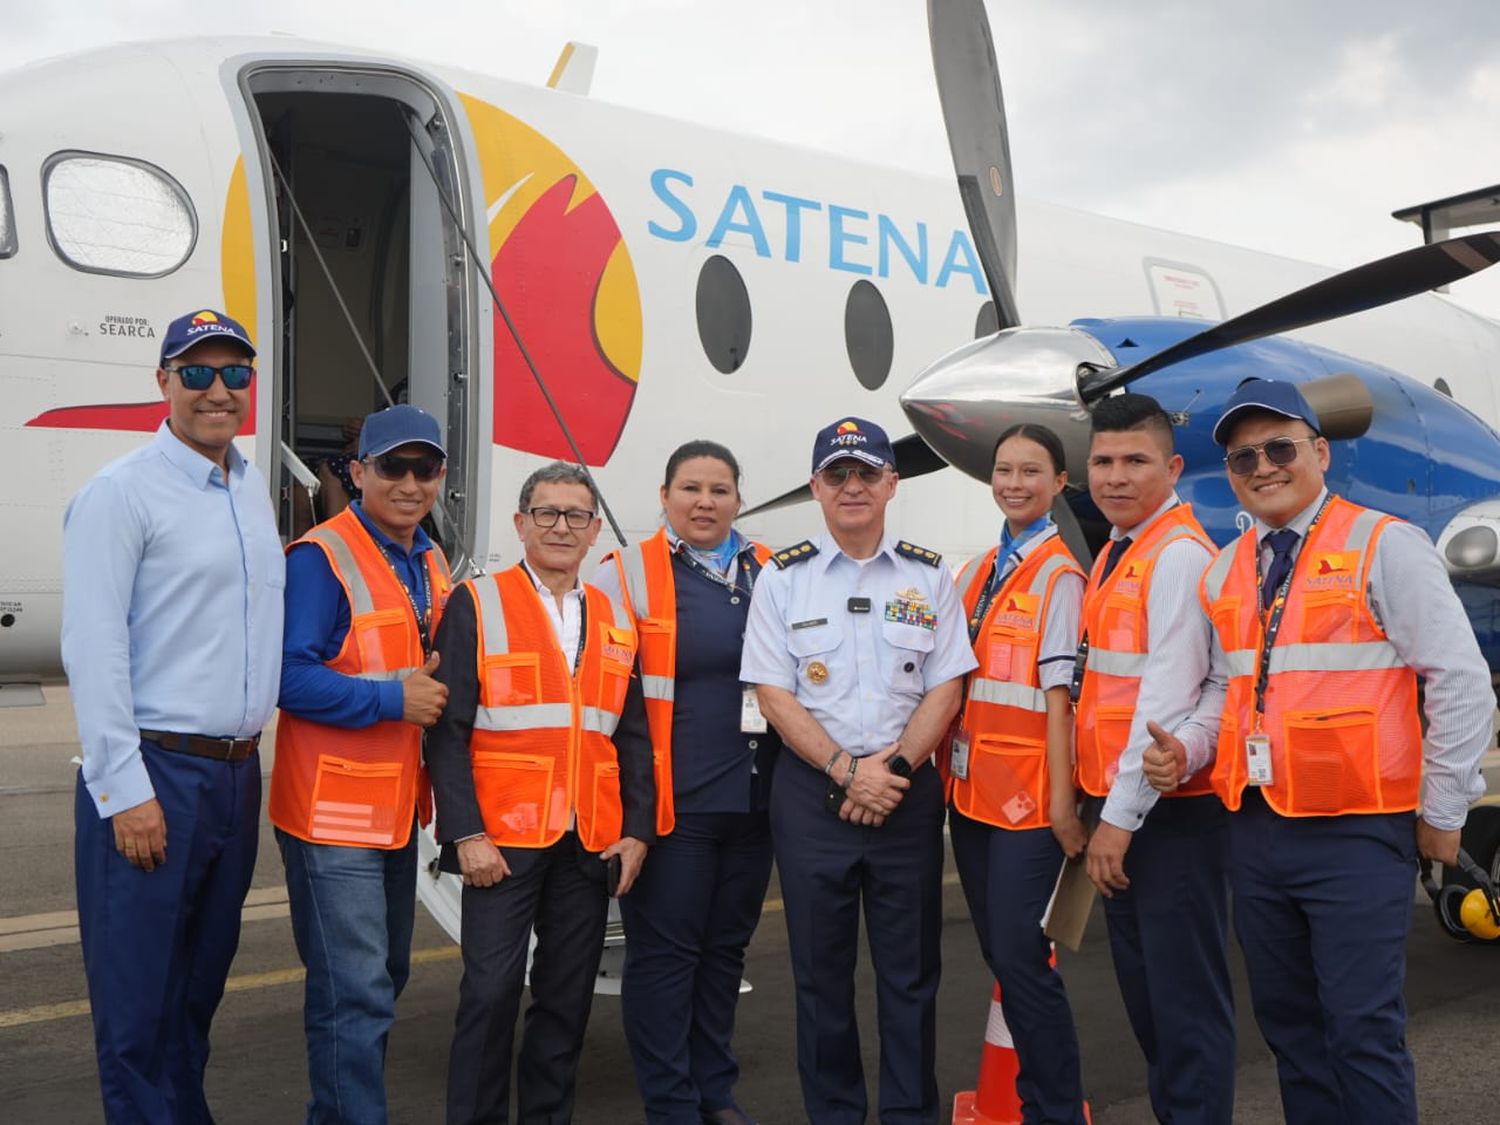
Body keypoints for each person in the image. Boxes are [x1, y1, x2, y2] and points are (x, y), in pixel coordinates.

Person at [1145, 379, 1492, 1124]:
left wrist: (1444, 809)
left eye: (1279, 447)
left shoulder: (1383, 543)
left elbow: (1461, 682)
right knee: (1292, 1031)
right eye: (1244, 457)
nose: (1262, 466)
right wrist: (1190, 748)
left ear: (1320, 452)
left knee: (1362, 1029)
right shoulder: (1223, 567)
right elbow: (1227, 691)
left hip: (1357, 830)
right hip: (1258, 827)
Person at [62, 308, 283, 1123]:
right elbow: (93, 647)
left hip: (233, 777)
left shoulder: (249, 486)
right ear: (163, 383)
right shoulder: (120, 494)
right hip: (157, 772)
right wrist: (125, 790)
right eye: (197, 372)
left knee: (194, 995)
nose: (218, 390)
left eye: (234, 375)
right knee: (138, 1009)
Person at [741, 417, 977, 1125]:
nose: (852, 487)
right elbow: (774, 694)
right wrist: (849, 770)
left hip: (904, 792)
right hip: (814, 797)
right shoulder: (783, 579)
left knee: (911, 977)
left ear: (891, 484)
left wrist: (893, 769)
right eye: (837, 474)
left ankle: (911, 1114)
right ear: (815, 486)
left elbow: (947, 685)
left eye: (866, 473)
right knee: (820, 980)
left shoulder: (930, 573)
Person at [426, 461, 656, 1125]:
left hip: (588, 841)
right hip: (501, 841)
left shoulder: (616, 617)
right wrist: (464, 832)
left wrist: (637, 828)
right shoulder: (477, 602)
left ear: (592, 534)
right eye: (547, 513)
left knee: (565, 1001)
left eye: (576, 515)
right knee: (491, 994)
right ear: (521, 524)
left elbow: (632, 734)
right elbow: (448, 729)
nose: (561, 525)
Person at [270, 404, 454, 1124]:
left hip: (396, 813)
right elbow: (284, 677)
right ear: (358, 472)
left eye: (425, 468)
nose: (409, 483)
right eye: (392, 467)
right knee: (356, 989)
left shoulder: (427, 558)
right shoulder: (322, 557)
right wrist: (389, 699)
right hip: (331, 816)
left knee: (382, 978)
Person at [592, 440, 777, 1125]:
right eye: (691, 488)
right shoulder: (627, 574)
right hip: (674, 802)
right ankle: (671, 1104)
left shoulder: (767, 569)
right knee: (667, 957)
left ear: (739, 498)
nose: (706, 501)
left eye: (720, 489)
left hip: (753, 798)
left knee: (725, 951)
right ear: (665, 496)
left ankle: (714, 1091)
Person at [1075, 392, 1234, 1124]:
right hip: (1131, 808)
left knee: (1183, 1007)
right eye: (1103, 460)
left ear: (1171, 467)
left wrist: (1118, 820)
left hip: (1164, 816)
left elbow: (1164, 702)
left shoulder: (1173, 555)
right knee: (1151, 1003)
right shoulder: (1120, 549)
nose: (1115, 475)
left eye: (1134, 460)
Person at [947, 423, 1089, 1124]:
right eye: (1004, 469)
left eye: (1031, 471)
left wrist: (1066, 807)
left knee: (1022, 961)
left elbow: (1061, 700)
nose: (1014, 482)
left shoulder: (1060, 576)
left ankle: (1055, 1108)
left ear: (1059, 483)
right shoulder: (977, 570)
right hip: (972, 801)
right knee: (1002, 956)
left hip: (1030, 808)